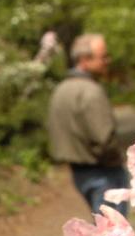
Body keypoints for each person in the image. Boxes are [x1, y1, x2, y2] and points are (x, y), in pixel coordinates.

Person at [47, 33, 129, 215]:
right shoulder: (91, 92)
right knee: (112, 235)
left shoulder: (61, 90)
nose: (108, 61)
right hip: (103, 173)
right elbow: (105, 140)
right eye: (103, 57)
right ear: (84, 60)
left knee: (102, 230)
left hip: (78, 173)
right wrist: (117, 161)